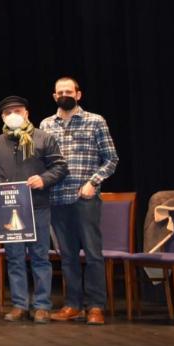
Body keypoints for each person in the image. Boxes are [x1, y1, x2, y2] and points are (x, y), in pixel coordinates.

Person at [0, 95, 68, 323]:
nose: (13, 116)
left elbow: (60, 167)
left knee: (40, 257)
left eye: (17, 111)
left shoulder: (43, 138)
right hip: (8, 209)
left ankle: (42, 306)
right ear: (2, 117)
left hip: (37, 207)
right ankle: (20, 304)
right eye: (8, 112)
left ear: (26, 113)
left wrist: (43, 179)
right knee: (15, 258)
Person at [40, 78, 120, 326]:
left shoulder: (95, 121)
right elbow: (42, 162)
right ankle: (73, 305)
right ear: (54, 96)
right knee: (67, 256)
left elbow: (111, 159)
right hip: (57, 198)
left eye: (69, 91)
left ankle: (95, 306)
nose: (64, 94)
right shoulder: (46, 124)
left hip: (85, 197)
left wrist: (93, 182)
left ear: (78, 94)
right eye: (60, 92)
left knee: (93, 254)